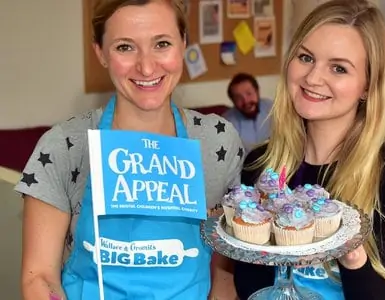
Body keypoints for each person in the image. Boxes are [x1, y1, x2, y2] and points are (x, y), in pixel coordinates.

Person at [16, 1, 244, 299]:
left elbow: (223, 273)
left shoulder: (217, 143)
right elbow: (40, 278)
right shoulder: (65, 147)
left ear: (183, 43)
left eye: (162, 43)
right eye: (125, 47)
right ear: (100, 52)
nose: (146, 67)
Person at [233, 0, 385, 299]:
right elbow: (250, 285)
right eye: (306, 57)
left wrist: (351, 254)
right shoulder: (261, 167)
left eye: (338, 68)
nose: (313, 78)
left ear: (367, 85)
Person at [223, 73, 272, 153]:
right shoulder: (227, 122)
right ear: (233, 101)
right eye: (239, 98)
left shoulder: (272, 108)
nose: (246, 101)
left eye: (249, 94)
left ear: (257, 91)